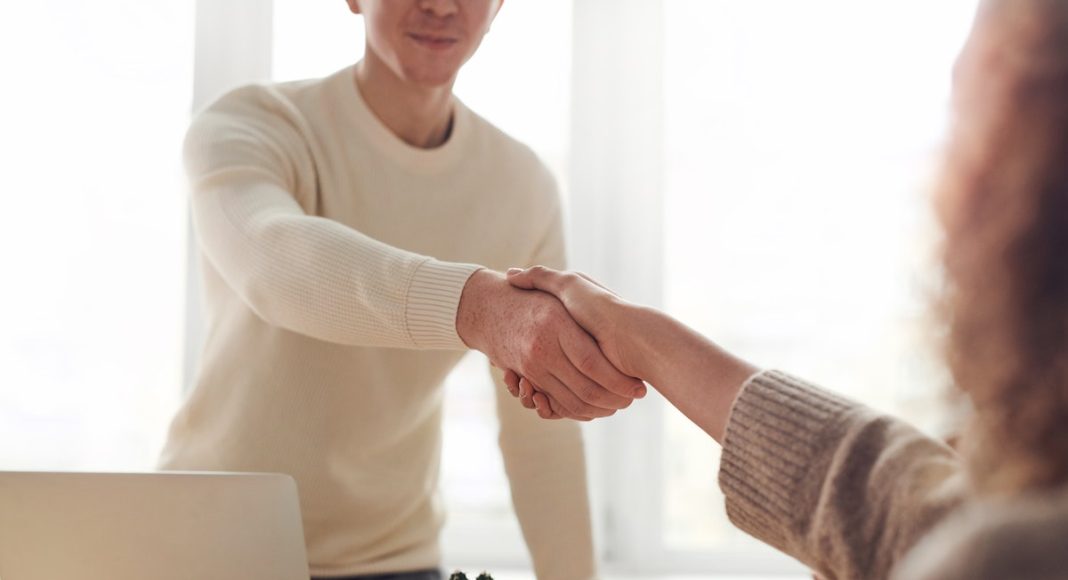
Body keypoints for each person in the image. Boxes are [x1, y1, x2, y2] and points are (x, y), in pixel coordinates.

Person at [502, 0, 1068, 578]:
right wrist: (642, 338)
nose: (939, 182)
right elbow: (901, 506)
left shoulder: (1006, 556)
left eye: (966, 122)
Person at [159, 1, 645, 579]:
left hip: (395, 561)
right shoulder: (251, 124)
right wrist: (476, 308)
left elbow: (540, 437)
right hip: (205, 545)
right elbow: (273, 261)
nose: (440, 5)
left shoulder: (521, 185)